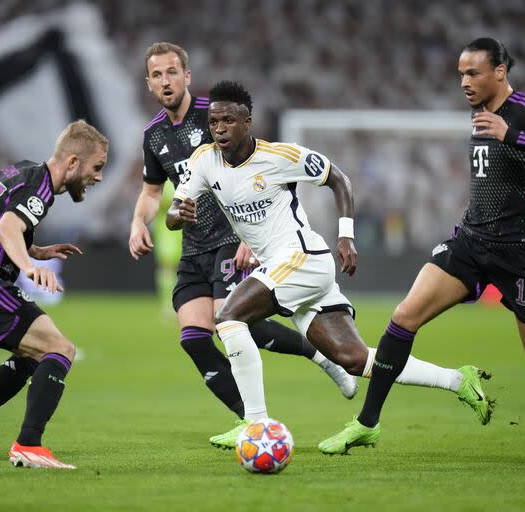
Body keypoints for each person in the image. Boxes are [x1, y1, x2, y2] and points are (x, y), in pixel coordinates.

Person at [320, 37, 525, 455]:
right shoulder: (478, 110)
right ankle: (367, 423)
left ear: (500, 72)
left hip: (522, 253)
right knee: (404, 317)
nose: (464, 82)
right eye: (461, 74)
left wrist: (514, 135)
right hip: (472, 243)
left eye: (473, 73)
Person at [169, 80, 494, 448]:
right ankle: (458, 380)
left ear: (248, 121)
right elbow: (173, 212)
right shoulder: (204, 160)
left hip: (302, 258)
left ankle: (255, 425)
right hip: (286, 269)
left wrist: (346, 235)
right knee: (353, 359)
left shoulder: (280, 157)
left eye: (229, 120)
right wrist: (179, 211)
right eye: (214, 122)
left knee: (228, 318)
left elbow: (339, 179)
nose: (220, 129)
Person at [128, 43, 357, 446]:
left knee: (230, 319)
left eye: (171, 72)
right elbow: (152, 192)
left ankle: (297, 377)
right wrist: (137, 222)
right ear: (148, 84)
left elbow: (256, 167)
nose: (165, 81)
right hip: (193, 246)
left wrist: (250, 239)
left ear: (187, 76)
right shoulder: (154, 136)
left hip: (231, 242)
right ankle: (251, 415)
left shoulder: (215, 113)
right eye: (157, 75)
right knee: (194, 338)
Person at [0, 120, 108, 468]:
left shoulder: (24, 171)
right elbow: (6, 225)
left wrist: (37, 250)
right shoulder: (39, 188)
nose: (98, 177)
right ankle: (29, 444)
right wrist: (28, 266)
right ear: (72, 162)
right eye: (97, 167)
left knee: (34, 353)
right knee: (60, 348)